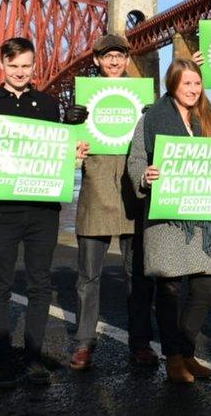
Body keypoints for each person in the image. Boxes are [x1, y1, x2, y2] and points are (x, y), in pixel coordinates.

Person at [0, 37, 89, 388]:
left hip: (43, 209)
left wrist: (75, 149)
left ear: (34, 66)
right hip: (1, 208)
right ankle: (4, 360)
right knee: (0, 282)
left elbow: (63, 157)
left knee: (40, 284)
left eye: (26, 66)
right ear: (2, 66)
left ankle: (33, 359)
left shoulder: (49, 104)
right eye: (14, 65)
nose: (20, 72)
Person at [126, 58, 211, 384]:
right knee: (170, 290)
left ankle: (186, 350)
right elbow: (134, 160)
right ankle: (174, 357)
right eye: (186, 83)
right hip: (167, 219)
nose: (192, 89)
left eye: (197, 83)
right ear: (172, 84)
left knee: (205, 287)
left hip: (203, 219)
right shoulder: (151, 118)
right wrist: (144, 176)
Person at [65, 34, 157, 371]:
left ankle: (141, 342)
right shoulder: (83, 97)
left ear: (127, 58)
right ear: (97, 61)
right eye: (108, 57)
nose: (114, 61)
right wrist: (69, 125)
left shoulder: (144, 95)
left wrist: (154, 118)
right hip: (96, 189)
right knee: (88, 275)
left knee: (139, 275)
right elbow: (69, 154)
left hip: (134, 191)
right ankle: (84, 342)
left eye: (119, 55)